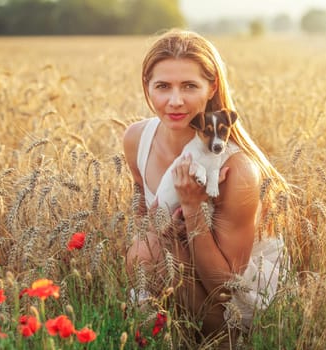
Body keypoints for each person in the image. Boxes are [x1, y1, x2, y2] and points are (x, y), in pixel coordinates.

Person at [123, 29, 290, 344]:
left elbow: (224, 287)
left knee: (157, 251)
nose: (175, 101)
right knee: (148, 250)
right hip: (171, 269)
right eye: (162, 86)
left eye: (189, 86)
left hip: (229, 301)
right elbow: (143, 215)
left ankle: (219, 341)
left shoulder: (237, 169)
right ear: (147, 86)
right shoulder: (136, 140)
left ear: (212, 87)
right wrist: (160, 234)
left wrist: (193, 206)